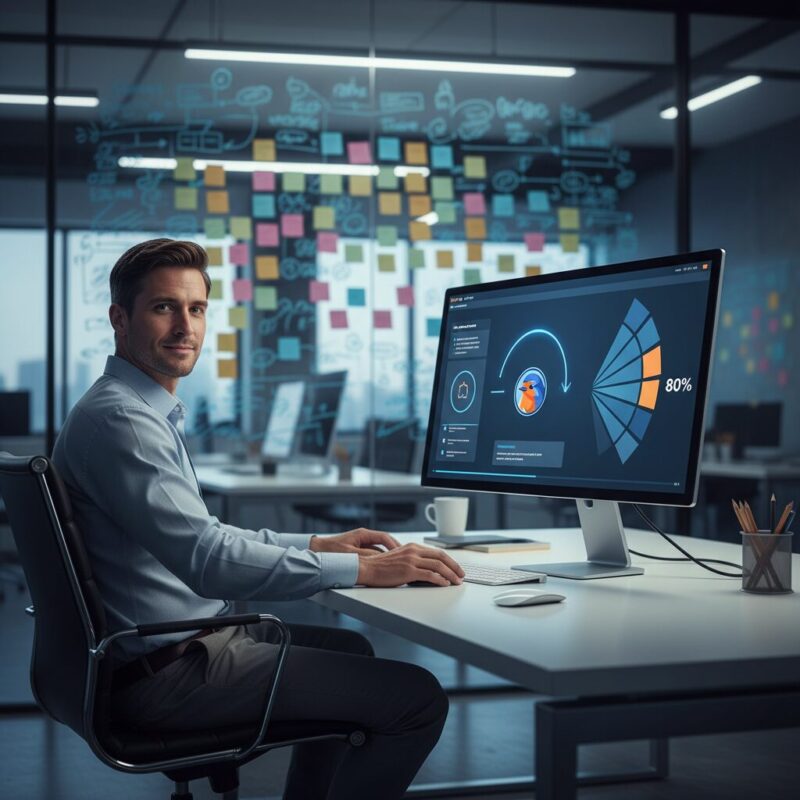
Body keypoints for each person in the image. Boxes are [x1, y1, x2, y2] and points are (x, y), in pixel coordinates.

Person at [52, 238, 465, 799]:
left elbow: (206, 537)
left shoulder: (129, 410)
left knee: (353, 652)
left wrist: (323, 542)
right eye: (163, 307)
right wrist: (364, 572)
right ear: (119, 319)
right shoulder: (122, 421)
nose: (184, 326)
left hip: (164, 652)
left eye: (196, 309)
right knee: (417, 699)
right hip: (168, 674)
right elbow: (207, 561)